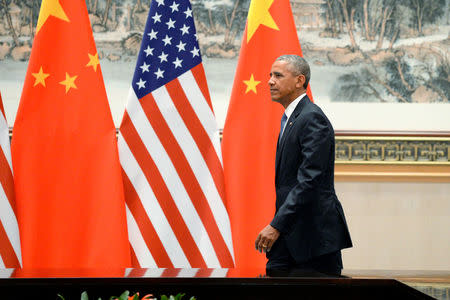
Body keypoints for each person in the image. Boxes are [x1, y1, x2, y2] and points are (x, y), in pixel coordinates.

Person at [255, 55, 352, 277]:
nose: (270, 81)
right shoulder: (293, 117)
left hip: (313, 238)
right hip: (292, 235)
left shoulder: (312, 118)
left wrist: (277, 225)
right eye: (270, 75)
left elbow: (310, 180)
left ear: (300, 81)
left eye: (278, 75)